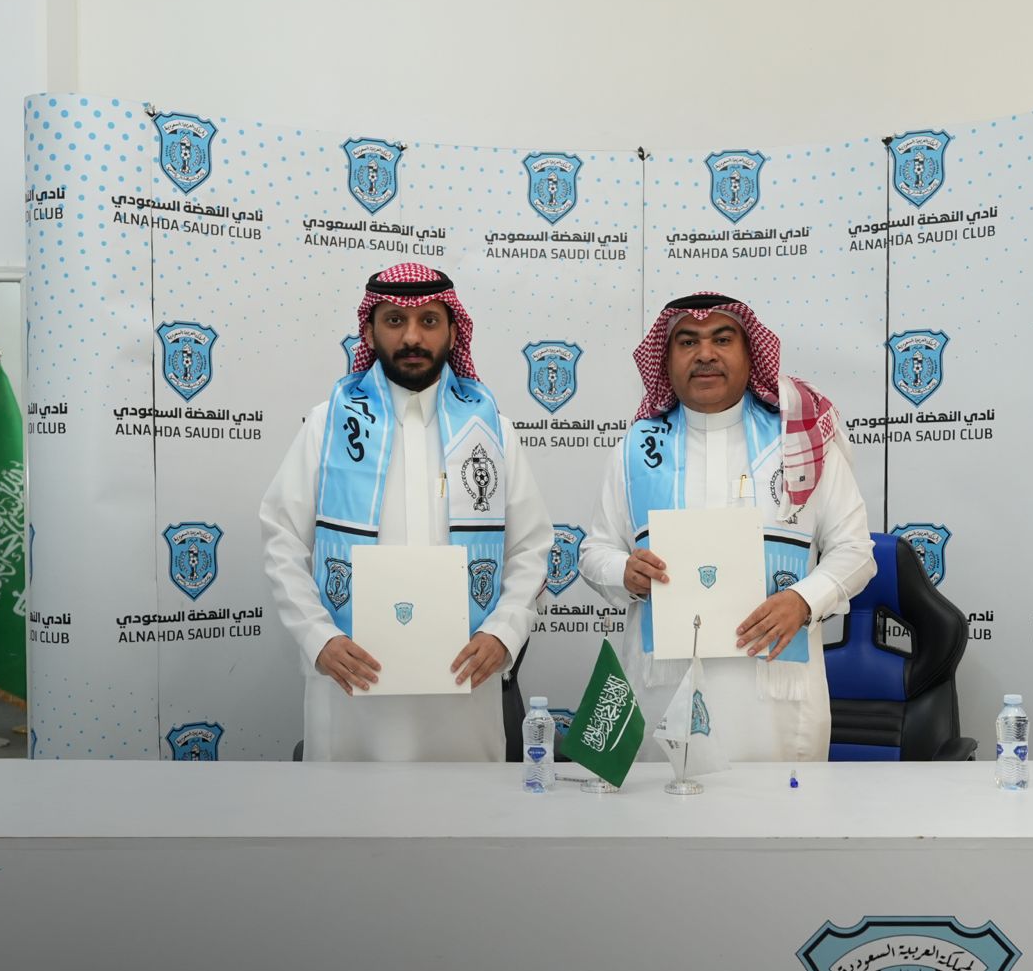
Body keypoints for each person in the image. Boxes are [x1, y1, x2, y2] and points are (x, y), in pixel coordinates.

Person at [260, 263, 551, 760]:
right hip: (354, 687)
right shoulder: (329, 425)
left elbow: (530, 547)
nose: (412, 337)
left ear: (453, 331)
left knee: (464, 807)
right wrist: (318, 637)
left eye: (429, 321)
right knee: (351, 807)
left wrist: (502, 633)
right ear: (369, 331)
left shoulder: (490, 430)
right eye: (395, 321)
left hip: (463, 685)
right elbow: (281, 539)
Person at [579, 293, 875, 761]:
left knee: (774, 805)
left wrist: (803, 601)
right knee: (665, 805)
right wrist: (624, 572)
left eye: (722, 339)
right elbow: (595, 551)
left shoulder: (800, 442)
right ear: (666, 359)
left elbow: (855, 551)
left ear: (749, 353)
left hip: (773, 699)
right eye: (687, 342)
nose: (705, 354)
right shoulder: (635, 449)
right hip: (664, 688)